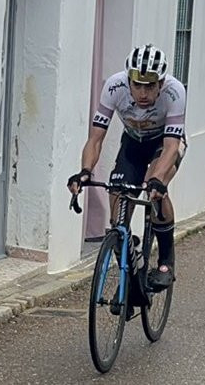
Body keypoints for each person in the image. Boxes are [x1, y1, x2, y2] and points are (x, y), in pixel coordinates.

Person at [67, 44, 187, 289]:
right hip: (133, 142)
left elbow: (172, 146)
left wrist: (156, 179)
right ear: (128, 81)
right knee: (118, 199)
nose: (143, 93)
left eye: (150, 86)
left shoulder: (175, 92)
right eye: (137, 85)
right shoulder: (114, 87)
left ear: (161, 84)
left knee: (155, 187)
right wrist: (85, 171)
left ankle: (166, 261)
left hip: (163, 144)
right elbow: (96, 138)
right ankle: (130, 261)